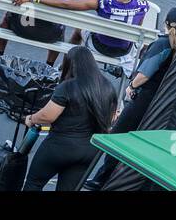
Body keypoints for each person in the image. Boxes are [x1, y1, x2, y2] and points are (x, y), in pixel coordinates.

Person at [19, 0, 150, 90]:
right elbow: (138, 28)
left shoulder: (103, 1)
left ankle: (64, 75)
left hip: (100, 46)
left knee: (78, 31)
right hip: (124, 51)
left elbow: (66, 4)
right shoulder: (142, 6)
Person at [21, 46, 116, 191]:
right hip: (89, 150)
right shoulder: (108, 87)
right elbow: (112, 118)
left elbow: (48, 115)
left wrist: (31, 118)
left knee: (34, 184)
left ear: (70, 64)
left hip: (60, 146)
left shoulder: (68, 86)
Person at [113, 7, 176, 133]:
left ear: (165, 22)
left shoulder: (162, 44)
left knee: (118, 134)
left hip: (142, 97)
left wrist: (131, 86)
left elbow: (145, 74)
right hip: (158, 100)